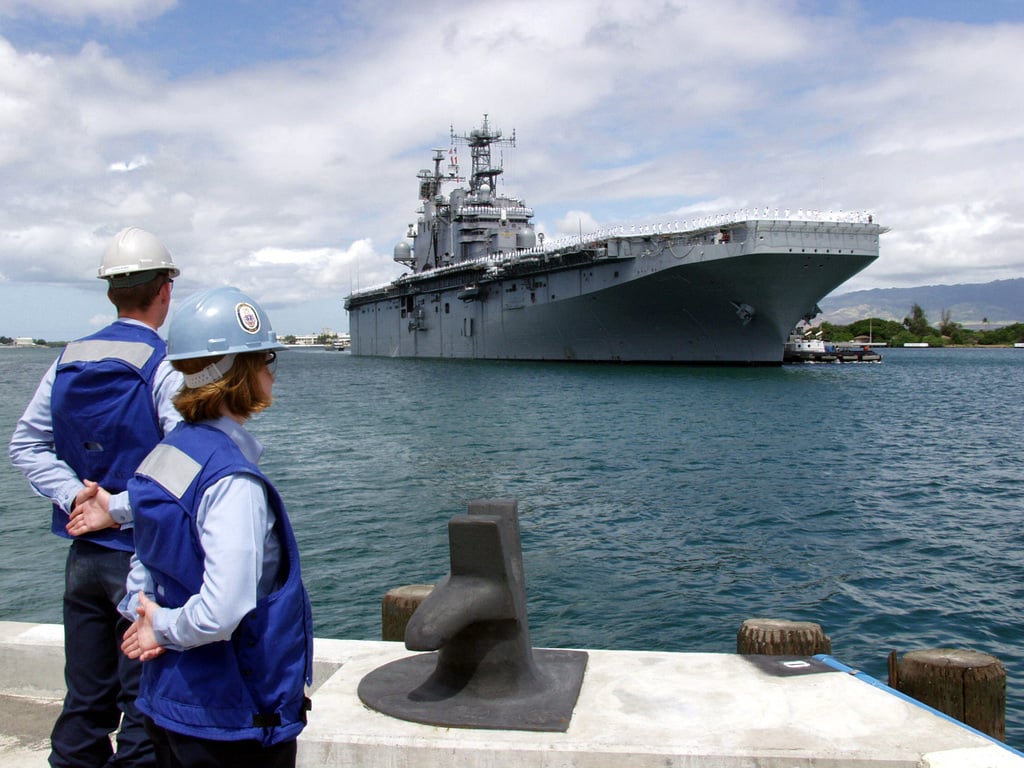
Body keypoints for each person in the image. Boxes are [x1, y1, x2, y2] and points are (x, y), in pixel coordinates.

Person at [8, 227, 182, 768]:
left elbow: (26, 444)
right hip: (142, 559)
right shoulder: (165, 365)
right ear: (165, 291)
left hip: (81, 560)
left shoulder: (65, 360)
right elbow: (184, 466)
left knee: (84, 702)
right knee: (142, 706)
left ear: (110, 292)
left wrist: (75, 499)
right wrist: (115, 507)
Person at [119, 286, 313, 768]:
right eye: (265, 356)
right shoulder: (232, 479)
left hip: (169, 704)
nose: (272, 368)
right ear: (235, 372)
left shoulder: (165, 455)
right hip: (232, 720)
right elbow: (224, 610)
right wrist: (160, 628)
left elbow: (142, 563)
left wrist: (144, 616)